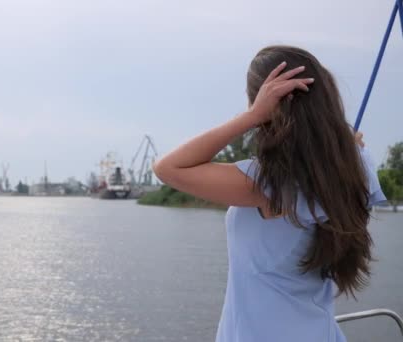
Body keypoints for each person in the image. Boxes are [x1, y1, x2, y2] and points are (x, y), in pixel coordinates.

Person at [153, 46, 386, 342]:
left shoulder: (268, 184)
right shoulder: (357, 167)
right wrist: (346, 147)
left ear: (265, 100)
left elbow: (167, 167)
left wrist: (251, 117)